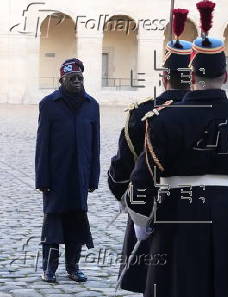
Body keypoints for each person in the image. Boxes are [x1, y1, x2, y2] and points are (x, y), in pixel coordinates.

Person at [125, 1, 228, 296]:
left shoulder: (162, 119)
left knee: (176, 282)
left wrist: (141, 219)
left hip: (178, 209)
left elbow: (142, 176)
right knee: (223, 282)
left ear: (191, 75)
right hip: (226, 208)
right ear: (225, 75)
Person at [107, 8, 192, 293]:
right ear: (192, 78)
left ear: (164, 76)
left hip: (149, 204)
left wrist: (127, 199)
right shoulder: (209, 112)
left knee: (152, 280)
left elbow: (122, 169)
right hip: (197, 207)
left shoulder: (141, 112)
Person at [35, 58, 100, 283]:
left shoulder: (92, 106)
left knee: (76, 222)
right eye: (72, 78)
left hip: (80, 175)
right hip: (55, 176)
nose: (77, 81)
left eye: (80, 78)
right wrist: (42, 178)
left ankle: (73, 267)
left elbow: (95, 145)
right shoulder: (48, 104)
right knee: (53, 225)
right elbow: (42, 144)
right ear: (61, 79)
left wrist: (93, 176)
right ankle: (49, 268)